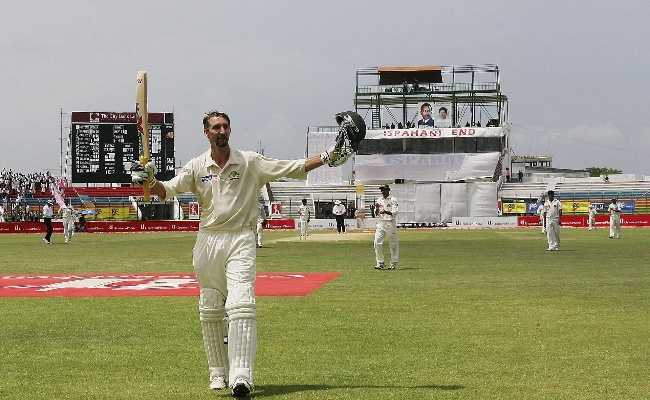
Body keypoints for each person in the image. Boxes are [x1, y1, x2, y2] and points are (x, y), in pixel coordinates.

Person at [130, 109, 363, 398]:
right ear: (207, 133)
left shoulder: (250, 162)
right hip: (208, 240)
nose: (222, 131)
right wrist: (149, 180)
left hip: (240, 238)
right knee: (211, 307)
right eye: (216, 127)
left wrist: (328, 157)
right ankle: (217, 372)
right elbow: (166, 191)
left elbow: (293, 167)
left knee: (241, 303)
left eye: (226, 126)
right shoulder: (196, 166)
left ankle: (241, 375)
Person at [374, 184, 399, 269]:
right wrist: (377, 209)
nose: (382, 192)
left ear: (388, 190)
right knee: (377, 242)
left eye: (384, 190)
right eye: (381, 190)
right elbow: (375, 214)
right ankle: (380, 262)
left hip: (390, 223)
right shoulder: (379, 200)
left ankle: (393, 262)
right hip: (381, 223)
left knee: (393, 244)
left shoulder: (393, 200)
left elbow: (395, 212)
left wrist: (385, 212)